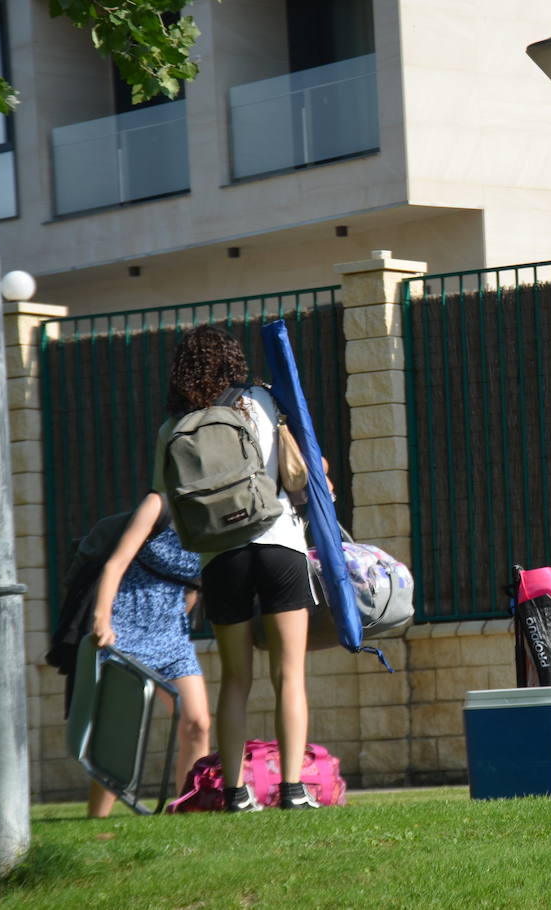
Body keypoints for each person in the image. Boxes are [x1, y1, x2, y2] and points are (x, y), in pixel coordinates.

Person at [158, 325, 318, 811]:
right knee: (289, 674)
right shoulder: (262, 402)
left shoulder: (174, 425)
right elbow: (298, 469)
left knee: (235, 678)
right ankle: (292, 790)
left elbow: (165, 497)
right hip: (279, 543)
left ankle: (234, 792)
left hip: (220, 557)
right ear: (233, 361)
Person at [88, 491, 208, 818]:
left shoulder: (216, 513)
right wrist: (102, 620)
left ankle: (187, 810)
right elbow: (116, 563)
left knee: (197, 722)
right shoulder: (160, 505)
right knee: (120, 733)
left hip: (171, 632)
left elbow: (195, 583)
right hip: (125, 625)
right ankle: (96, 820)